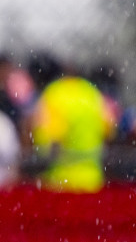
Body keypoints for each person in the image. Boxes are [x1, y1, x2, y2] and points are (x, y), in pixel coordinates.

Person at [25, 53, 115, 192]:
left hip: (62, 181)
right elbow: (109, 131)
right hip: (92, 179)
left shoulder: (54, 94)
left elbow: (50, 140)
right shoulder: (92, 93)